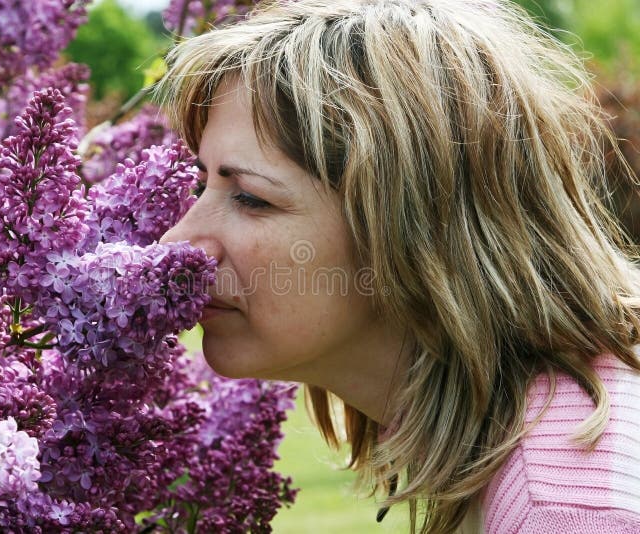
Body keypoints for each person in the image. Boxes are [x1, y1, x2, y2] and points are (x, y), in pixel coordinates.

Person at [156, 0, 640, 532]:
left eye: (250, 197)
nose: (179, 241)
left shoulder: (566, 511)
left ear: (411, 228)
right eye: (202, 184)